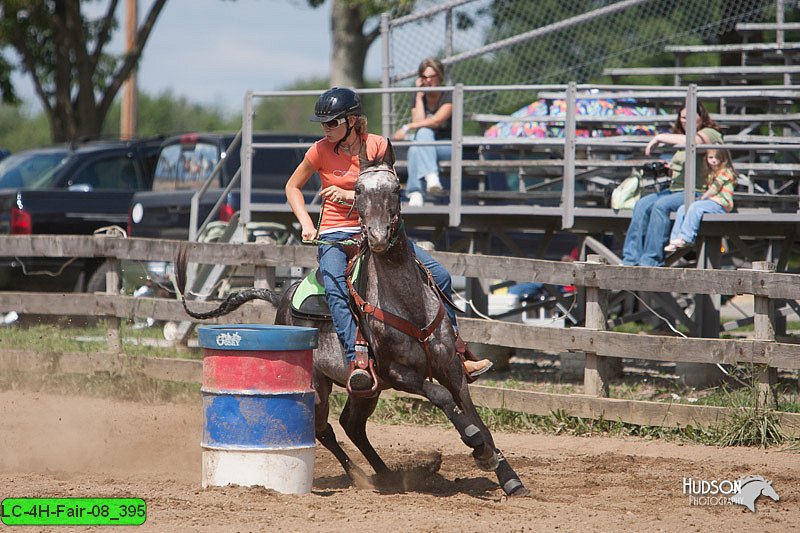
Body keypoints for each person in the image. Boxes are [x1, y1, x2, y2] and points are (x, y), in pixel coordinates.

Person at [286, 87, 491, 392]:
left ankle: (457, 354)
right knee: (335, 288)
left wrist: (348, 195)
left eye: (331, 123)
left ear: (352, 121)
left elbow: (390, 190)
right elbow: (292, 187)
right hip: (335, 234)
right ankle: (357, 361)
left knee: (441, 276)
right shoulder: (318, 151)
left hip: (380, 231)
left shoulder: (378, 146)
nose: (325, 129)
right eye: (323, 124)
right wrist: (305, 223)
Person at [621, 102, 723, 266]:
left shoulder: (710, 133)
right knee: (641, 204)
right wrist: (669, 169)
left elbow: (695, 143)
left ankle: (651, 260)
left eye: (690, 117)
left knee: (661, 205)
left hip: (698, 191)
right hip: (675, 189)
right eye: (683, 117)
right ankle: (630, 260)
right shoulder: (680, 139)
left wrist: (660, 137)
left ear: (701, 117)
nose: (686, 121)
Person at [392, 58, 452, 207]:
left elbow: (436, 121)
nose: (429, 80)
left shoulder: (449, 95)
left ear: (440, 76)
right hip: (425, 147)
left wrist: (407, 127)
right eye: (425, 77)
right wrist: (419, 95)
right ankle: (424, 185)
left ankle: (417, 190)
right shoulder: (419, 96)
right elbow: (419, 120)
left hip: (448, 146)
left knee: (423, 133)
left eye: (432, 76)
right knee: (415, 148)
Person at [664, 148, 735, 252]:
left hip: (721, 204)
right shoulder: (711, 173)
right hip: (711, 203)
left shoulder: (725, 172)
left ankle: (686, 237)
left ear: (723, 159)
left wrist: (702, 198)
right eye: (711, 157)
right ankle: (675, 239)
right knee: (683, 208)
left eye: (717, 158)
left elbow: (714, 189)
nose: (714, 160)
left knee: (695, 207)